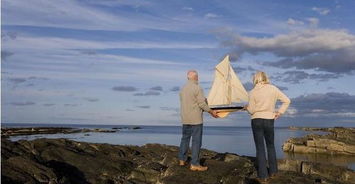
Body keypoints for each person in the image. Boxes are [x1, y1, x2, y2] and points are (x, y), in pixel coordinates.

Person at [244, 71, 291, 183]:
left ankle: (263, 176)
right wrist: (279, 112)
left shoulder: (252, 92)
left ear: (255, 79)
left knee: (260, 148)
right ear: (265, 78)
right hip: (269, 119)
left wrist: (246, 108)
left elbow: (251, 110)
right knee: (270, 146)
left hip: (256, 120)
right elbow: (287, 101)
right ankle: (274, 172)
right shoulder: (273, 88)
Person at [178, 70, 218, 171]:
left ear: (188, 78)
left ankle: (182, 160)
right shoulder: (197, 88)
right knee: (196, 141)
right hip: (196, 119)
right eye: (198, 77)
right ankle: (194, 164)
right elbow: (201, 104)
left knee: (185, 139)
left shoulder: (182, 88)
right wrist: (211, 111)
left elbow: (187, 102)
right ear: (196, 77)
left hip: (185, 118)